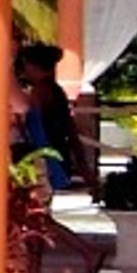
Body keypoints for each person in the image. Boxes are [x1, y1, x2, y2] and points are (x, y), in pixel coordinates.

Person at [13, 44, 89, 191]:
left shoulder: (41, 91)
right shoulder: (54, 90)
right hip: (52, 152)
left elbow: (32, 122)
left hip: (44, 153)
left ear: (33, 65)